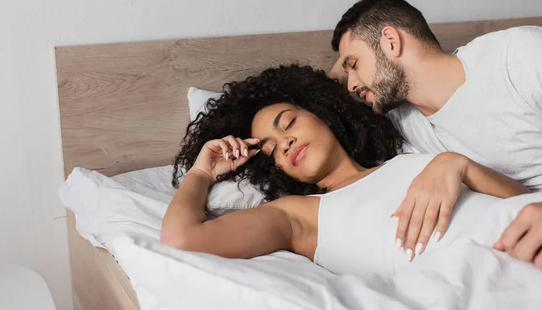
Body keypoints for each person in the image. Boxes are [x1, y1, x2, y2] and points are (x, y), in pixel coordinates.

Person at [161, 65, 531, 273]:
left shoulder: (410, 160)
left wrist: (456, 164)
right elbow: (182, 239)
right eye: (272, 148)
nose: (285, 143)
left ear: (321, 114)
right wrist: (203, 173)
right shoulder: (298, 216)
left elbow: (524, 202)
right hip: (498, 272)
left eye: (287, 123)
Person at [328, 0, 542, 268]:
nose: (351, 84)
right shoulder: (403, 126)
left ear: (391, 41)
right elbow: (323, 96)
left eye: (354, 64)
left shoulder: (516, 57)